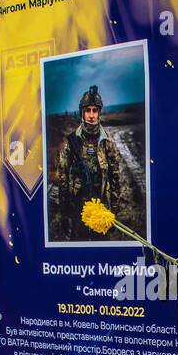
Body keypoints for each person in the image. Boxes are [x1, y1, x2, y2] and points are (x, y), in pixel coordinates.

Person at [50, 84, 124, 242]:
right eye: (88, 111)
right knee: (78, 256)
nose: (91, 115)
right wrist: (64, 213)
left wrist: (113, 213)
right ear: (82, 113)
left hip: (101, 209)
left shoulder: (107, 142)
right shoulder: (72, 142)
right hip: (78, 210)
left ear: (99, 113)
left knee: (103, 257)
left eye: (95, 110)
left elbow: (115, 178)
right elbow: (63, 178)